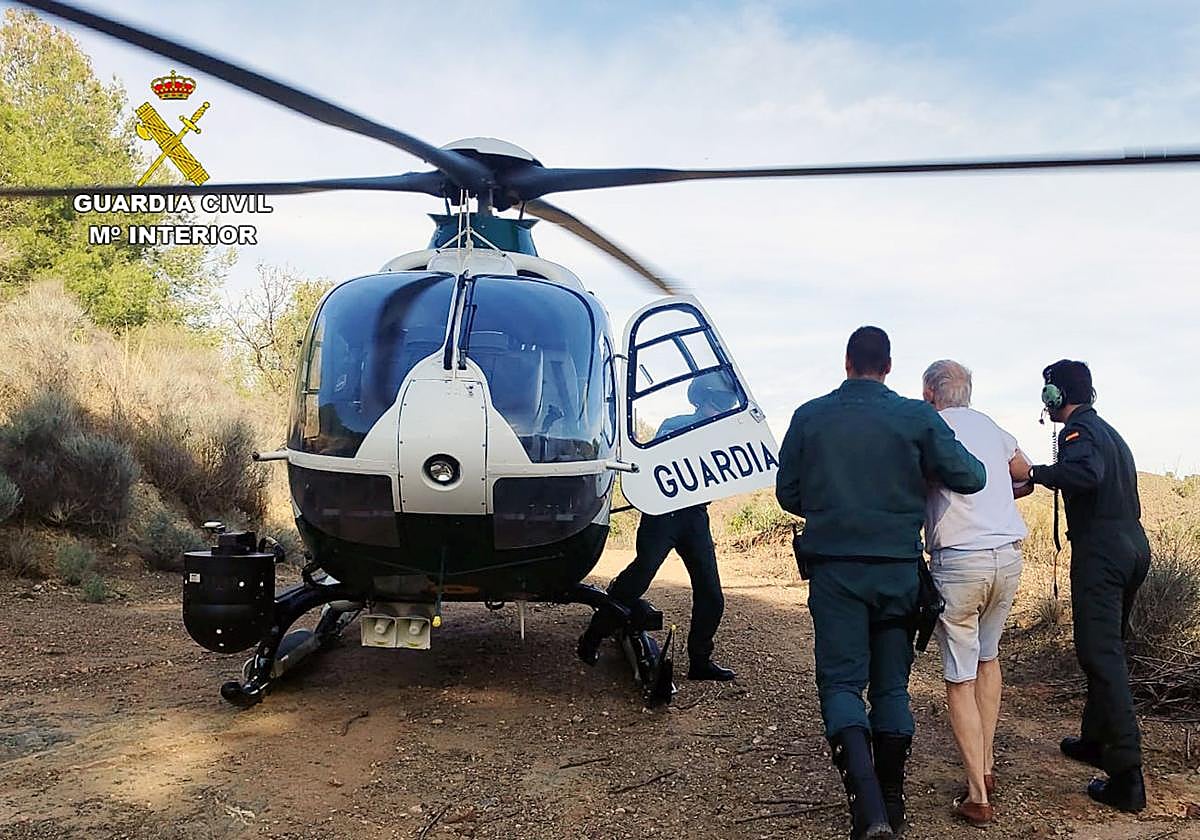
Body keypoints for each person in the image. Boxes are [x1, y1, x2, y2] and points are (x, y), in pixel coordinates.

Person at [776, 328, 986, 839]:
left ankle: (867, 813)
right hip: (898, 573)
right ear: (888, 367)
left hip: (835, 572)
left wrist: (836, 508)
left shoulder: (809, 416)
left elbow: (788, 493)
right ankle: (892, 805)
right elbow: (972, 476)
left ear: (847, 362)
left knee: (843, 683)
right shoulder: (916, 417)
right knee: (892, 686)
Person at [1024, 360, 1151, 813]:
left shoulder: (1081, 433)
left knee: (1101, 656)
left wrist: (1035, 472)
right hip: (1131, 546)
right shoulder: (1107, 430)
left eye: (1047, 391)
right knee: (1107, 648)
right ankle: (1095, 741)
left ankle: (1127, 777)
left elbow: (1085, 474)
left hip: (1102, 552)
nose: (1044, 399)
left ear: (1056, 395)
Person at [921, 360, 1033, 827]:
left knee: (959, 676)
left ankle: (977, 795)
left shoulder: (930, 427)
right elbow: (1024, 472)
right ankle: (985, 767)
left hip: (959, 560)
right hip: (1006, 556)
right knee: (989, 658)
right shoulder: (991, 426)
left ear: (930, 393)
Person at [577, 371, 740, 681]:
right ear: (703, 400)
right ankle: (593, 637)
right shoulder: (674, 425)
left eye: (726, 403)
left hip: (694, 516)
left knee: (711, 593)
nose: (721, 409)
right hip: (663, 514)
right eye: (718, 402)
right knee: (639, 576)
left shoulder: (722, 433)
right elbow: (653, 463)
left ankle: (700, 661)